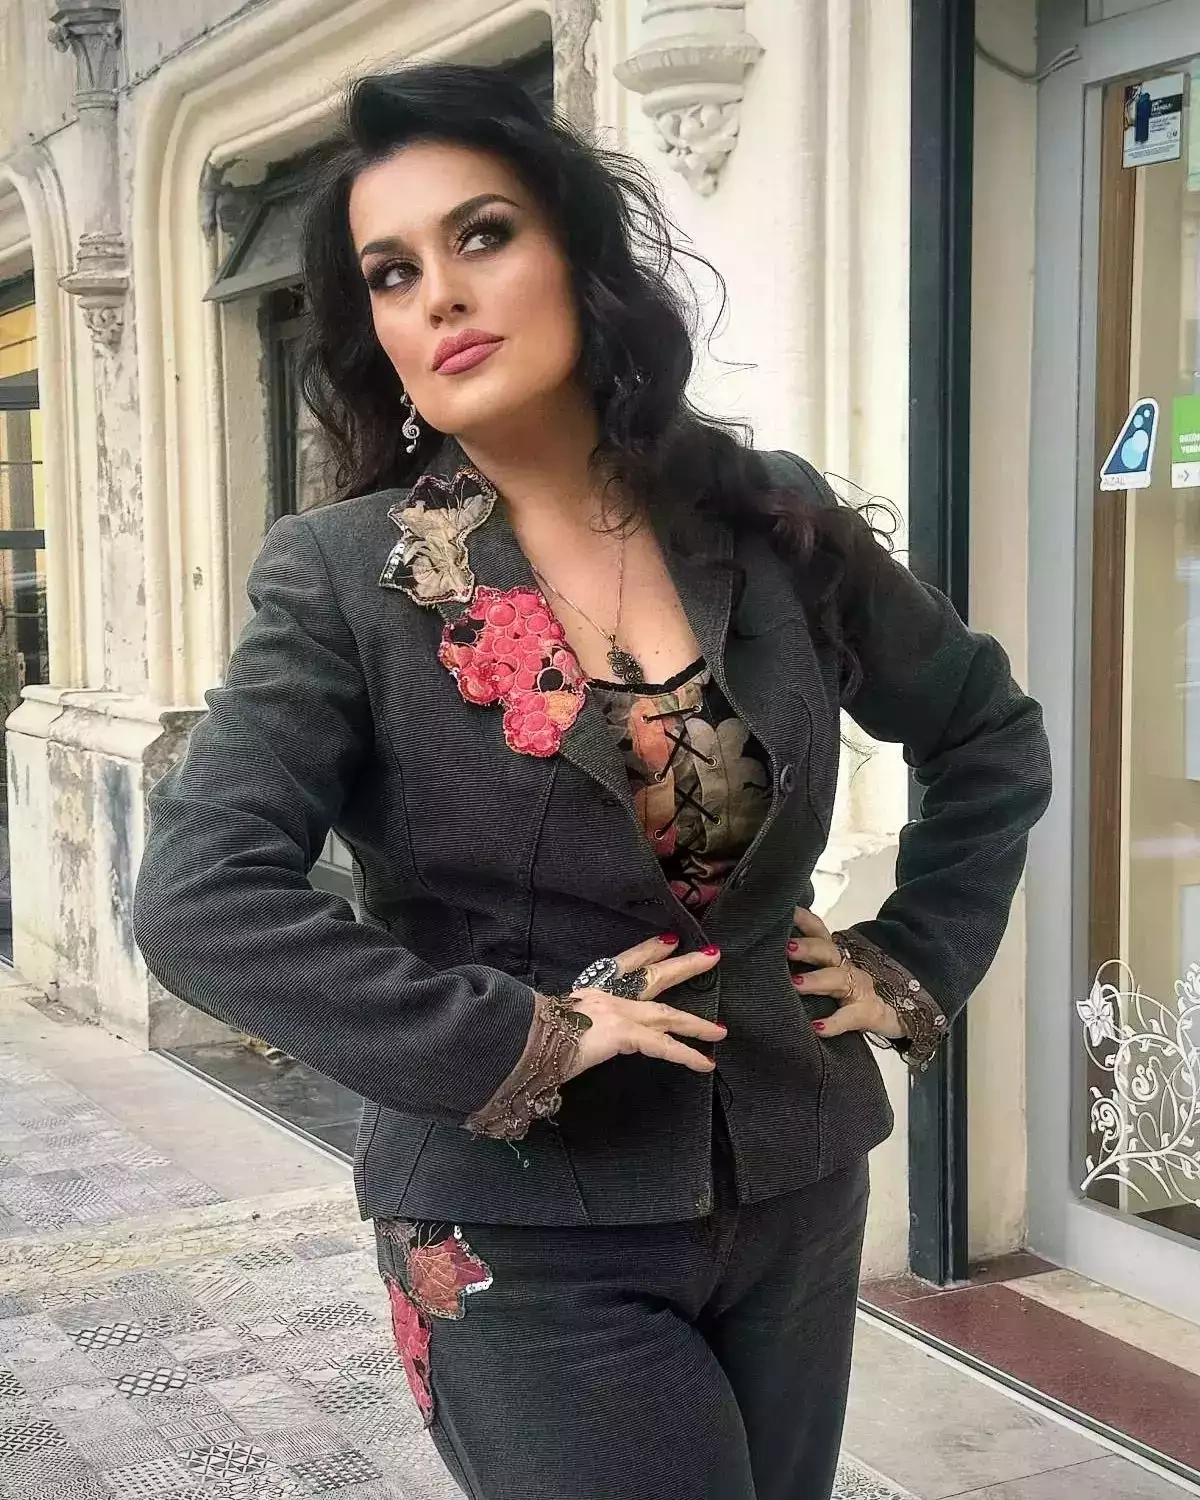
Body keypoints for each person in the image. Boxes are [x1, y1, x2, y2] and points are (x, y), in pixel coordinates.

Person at [132, 63, 1052, 1500]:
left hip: (795, 1181)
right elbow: (201, 901)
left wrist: (913, 957)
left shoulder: (766, 523)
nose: (440, 293)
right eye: (393, 273)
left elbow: (987, 733)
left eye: (482, 234)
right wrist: (519, 1037)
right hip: (521, 1229)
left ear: (577, 254)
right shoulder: (346, 579)